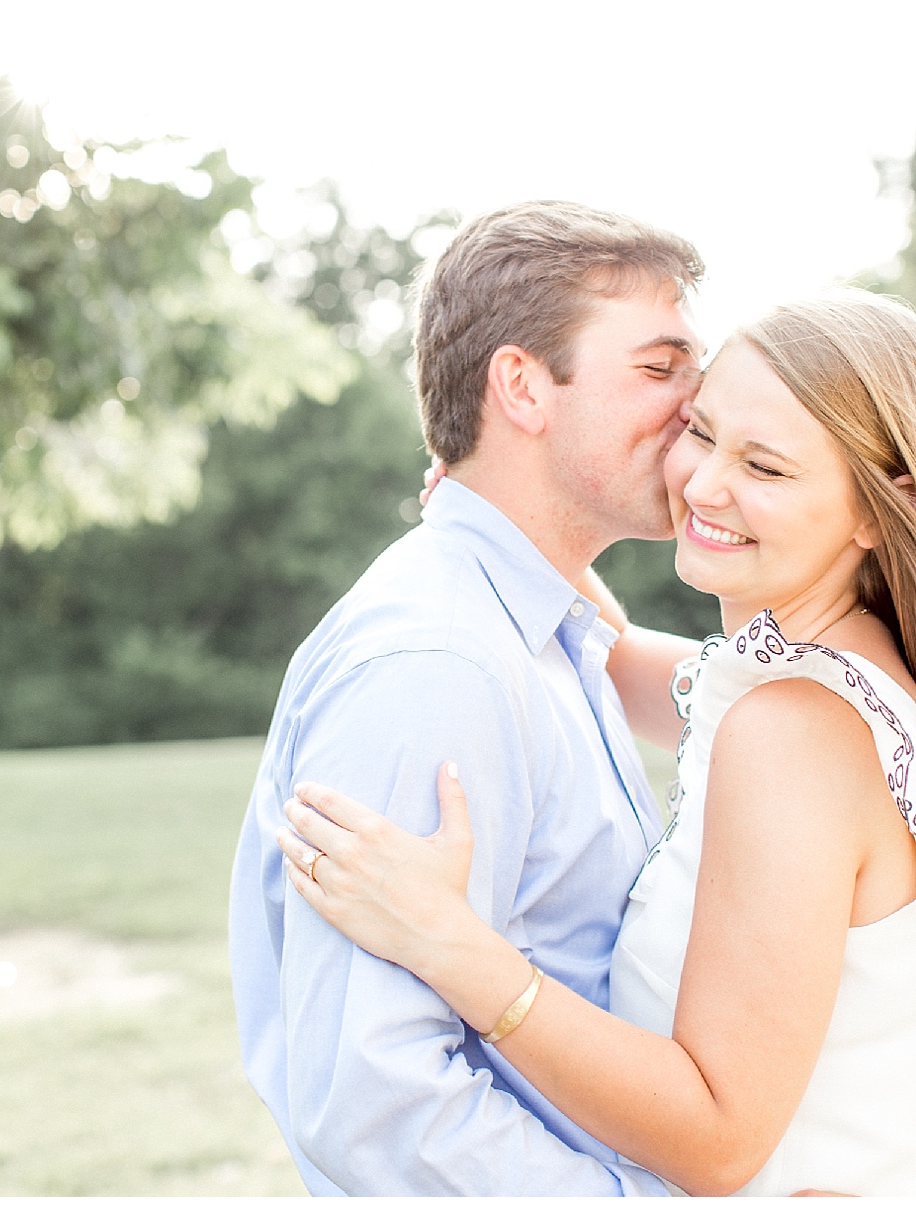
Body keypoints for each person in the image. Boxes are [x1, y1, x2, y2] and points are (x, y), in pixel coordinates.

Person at [276, 289, 916, 1195]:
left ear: (877, 513)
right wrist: (516, 523)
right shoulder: (830, 679)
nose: (703, 483)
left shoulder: (795, 736)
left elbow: (717, 1139)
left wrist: (449, 943)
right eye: (702, 430)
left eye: (764, 467)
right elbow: (619, 659)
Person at [229, 200, 709, 1195]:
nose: (699, 411)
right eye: (661, 369)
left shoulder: (541, 630)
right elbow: (379, 1110)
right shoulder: (438, 665)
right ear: (523, 387)